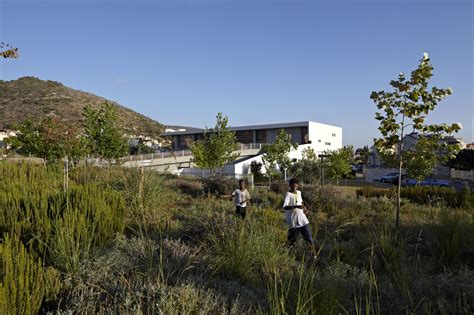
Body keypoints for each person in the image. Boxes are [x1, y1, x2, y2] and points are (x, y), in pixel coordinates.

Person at [283, 178, 317, 257]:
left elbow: (300, 203)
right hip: (293, 222)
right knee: (291, 241)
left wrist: (304, 208)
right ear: (290, 186)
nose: (295, 187)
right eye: (293, 186)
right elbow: (285, 207)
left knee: (309, 239)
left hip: (302, 220)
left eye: (296, 186)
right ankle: (287, 256)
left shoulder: (299, 193)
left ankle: (314, 256)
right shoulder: (288, 194)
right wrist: (295, 207)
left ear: (297, 185)